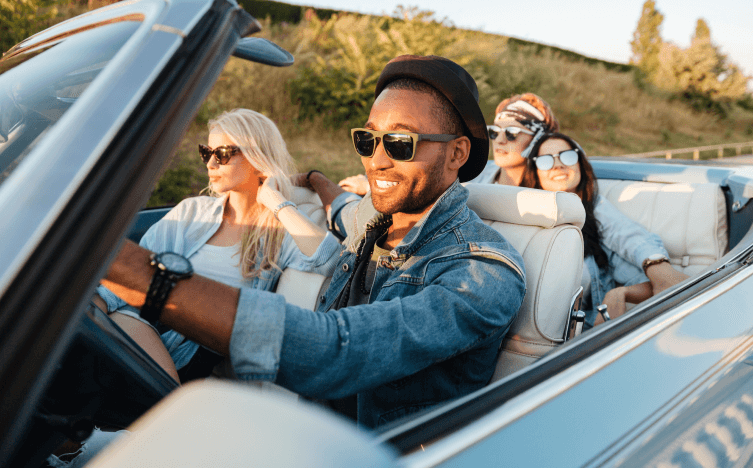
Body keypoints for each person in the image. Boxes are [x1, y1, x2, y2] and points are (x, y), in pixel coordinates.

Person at [100, 55, 526, 428]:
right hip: (307, 429)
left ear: (456, 154)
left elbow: (335, 351)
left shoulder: (481, 272)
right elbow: (343, 207)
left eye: (400, 142)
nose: (376, 159)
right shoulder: (373, 217)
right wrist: (315, 181)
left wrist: (131, 270)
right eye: (368, 138)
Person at [95, 109, 341, 382]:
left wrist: (276, 201)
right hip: (139, 329)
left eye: (222, 154)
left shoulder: (277, 233)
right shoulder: (191, 212)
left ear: (257, 157)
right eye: (206, 152)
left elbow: (329, 259)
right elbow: (133, 274)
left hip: (191, 357)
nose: (210, 164)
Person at [525, 132, 688, 326]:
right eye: (545, 160)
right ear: (535, 172)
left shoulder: (595, 226)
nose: (558, 165)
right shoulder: (519, 216)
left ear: (580, 164)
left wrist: (622, 292)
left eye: (567, 155)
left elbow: (625, 234)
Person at [338, 92, 558, 195]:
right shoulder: (477, 172)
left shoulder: (555, 185)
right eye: (494, 132)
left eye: (511, 133)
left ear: (539, 138)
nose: (500, 139)